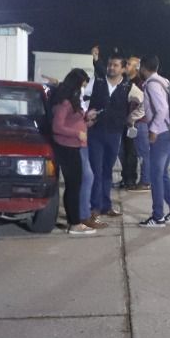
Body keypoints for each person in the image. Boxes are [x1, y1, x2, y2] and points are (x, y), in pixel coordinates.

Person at [49, 69, 104, 234]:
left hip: (75, 145)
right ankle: (74, 224)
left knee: (75, 185)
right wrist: (78, 133)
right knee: (74, 186)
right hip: (67, 147)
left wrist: (87, 119)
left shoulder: (72, 100)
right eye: (82, 86)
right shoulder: (65, 102)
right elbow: (57, 127)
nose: (83, 90)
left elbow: (74, 120)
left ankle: (75, 221)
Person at [84, 49, 133, 219]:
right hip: (96, 133)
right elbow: (83, 99)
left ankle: (106, 206)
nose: (111, 67)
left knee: (107, 171)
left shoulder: (128, 86)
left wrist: (131, 119)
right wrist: (86, 115)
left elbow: (141, 104)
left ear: (123, 68)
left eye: (115, 65)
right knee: (96, 171)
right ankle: (94, 207)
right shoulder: (97, 81)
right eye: (110, 64)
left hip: (114, 134)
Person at [139, 54, 170, 227]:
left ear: (144, 67)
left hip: (162, 135)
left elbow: (162, 109)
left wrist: (154, 130)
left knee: (155, 176)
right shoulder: (164, 81)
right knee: (163, 174)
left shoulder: (152, 84)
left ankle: (158, 216)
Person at [117, 55, 149, 192]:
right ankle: (127, 179)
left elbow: (144, 103)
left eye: (129, 64)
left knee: (137, 153)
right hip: (126, 122)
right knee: (123, 152)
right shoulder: (124, 81)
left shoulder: (140, 83)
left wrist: (133, 118)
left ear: (136, 68)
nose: (126, 65)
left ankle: (142, 181)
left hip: (137, 123)